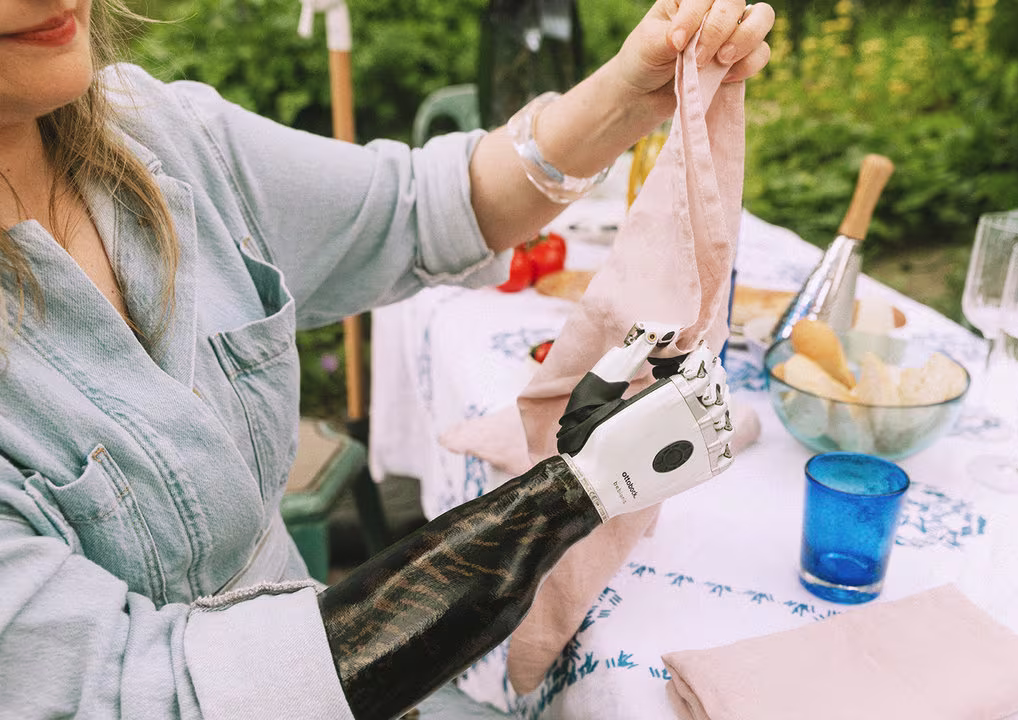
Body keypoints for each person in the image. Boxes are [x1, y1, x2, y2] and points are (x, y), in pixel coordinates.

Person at [0, 0, 774, 718]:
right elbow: (165, 696)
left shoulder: (159, 132)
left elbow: (418, 209)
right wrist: (570, 492)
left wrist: (627, 97)